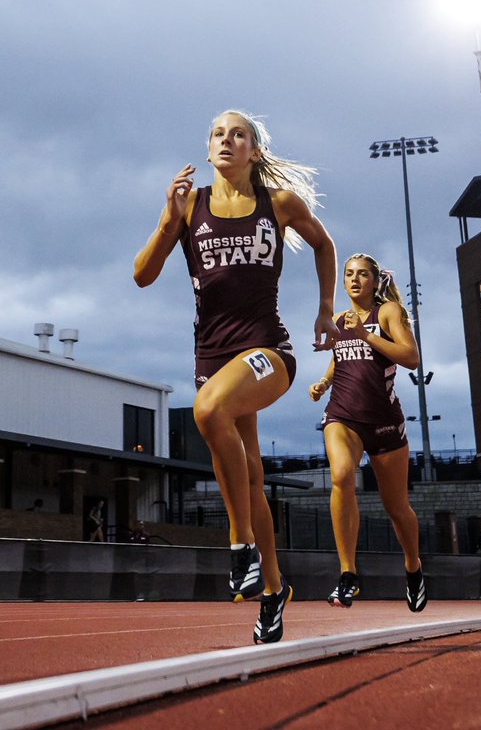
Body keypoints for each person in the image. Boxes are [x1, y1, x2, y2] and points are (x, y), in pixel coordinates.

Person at [133, 109, 337, 644]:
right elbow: (141, 276)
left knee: (207, 412)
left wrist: (324, 309)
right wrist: (166, 220)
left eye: (238, 134)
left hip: (269, 352)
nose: (228, 140)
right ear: (208, 151)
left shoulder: (279, 204)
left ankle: (239, 542)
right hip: (212, 361)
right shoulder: (189, 206)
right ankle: (273, 591)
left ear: (254, 149)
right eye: (218, 134)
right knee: (250, 477)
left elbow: (324, 244)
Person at [308, 253, 426, 613]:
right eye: (348, 274)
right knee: (342, 476)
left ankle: (413, 567)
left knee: (396, 508)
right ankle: (348, 573)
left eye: (362, 274)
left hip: (385, 423)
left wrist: (366, 336)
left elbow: (411, 357)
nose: (354, 280)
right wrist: (325, 382)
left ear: (376, 281)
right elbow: (340, 355)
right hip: (343, 417)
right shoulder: (340, 319)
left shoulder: (387, 313)